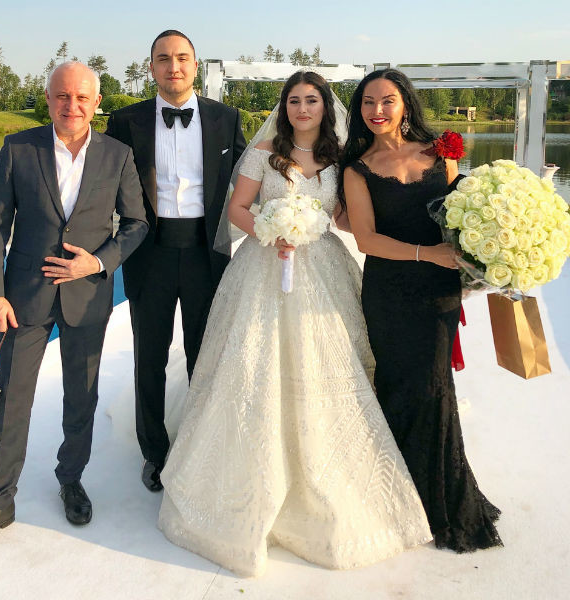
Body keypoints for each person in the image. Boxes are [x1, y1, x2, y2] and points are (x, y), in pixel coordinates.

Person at [157, 71, 432, 577]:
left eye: (312, 100)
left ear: (326, 107)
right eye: (294, 100)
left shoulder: (341, 158)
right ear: (283, 107)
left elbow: (347, 219)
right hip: (265, 265)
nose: (303, 108)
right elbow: (236, 208)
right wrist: (268, 228)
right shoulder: (264, 152)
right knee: (253, 362)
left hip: (323, 267)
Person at [0, 62, 148, 553]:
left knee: (81, 396)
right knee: (11, 402)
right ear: (48, 99)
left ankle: (70, 479)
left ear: (96, 103)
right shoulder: (17, 148)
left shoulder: (118, 155)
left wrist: (97, 262)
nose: (71, 106)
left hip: (87, 296)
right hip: (23, 295)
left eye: (81, 98)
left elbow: (136, 224)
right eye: (61, 96)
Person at [340, 68, 502, 552]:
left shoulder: (442, 153)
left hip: (439, 291)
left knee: (435, 386)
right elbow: (366, 238)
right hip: (390, 290)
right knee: (398, 385)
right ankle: (398, 499)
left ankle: (442, 501)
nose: (377, 111)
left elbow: (459, 219)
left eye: (387, 101)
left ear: (405, 104)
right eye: (368, 103)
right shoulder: (358, 167)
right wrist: (425, 253)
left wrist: (483, 261)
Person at [105, 30, 246, 492]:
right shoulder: (126, 121)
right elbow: (100, 185)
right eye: (163, 59)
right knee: (150, 356)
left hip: (209, 253)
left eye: (182, 58)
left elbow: (255, 176)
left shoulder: (227, 118)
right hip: (150, 252)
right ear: (151, 68)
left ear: (196, 65)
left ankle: (201, 448)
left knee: (204, 356)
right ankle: (154, 453)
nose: (174, 67)